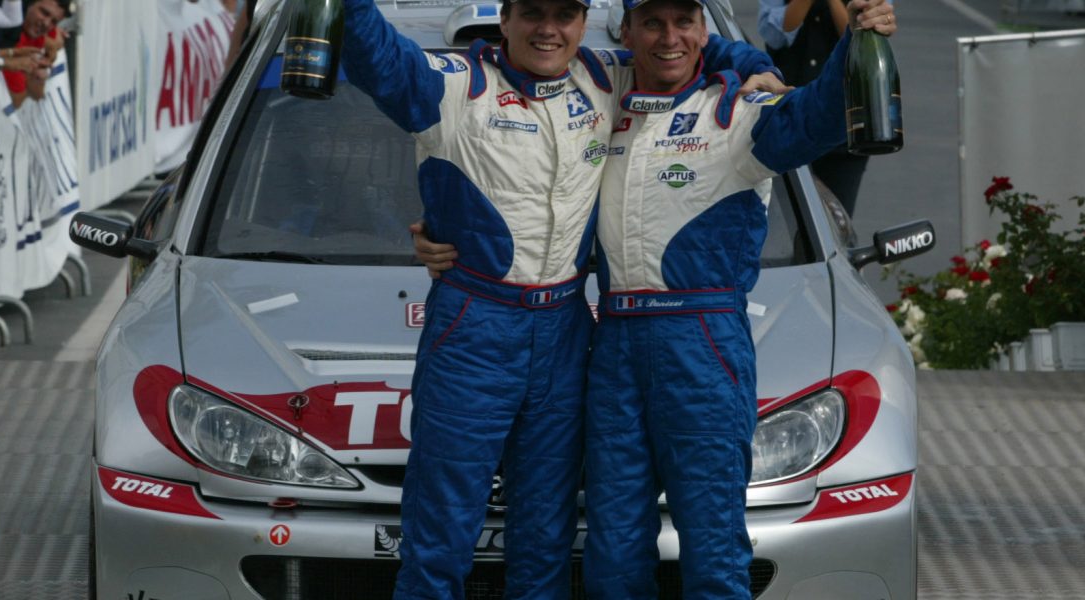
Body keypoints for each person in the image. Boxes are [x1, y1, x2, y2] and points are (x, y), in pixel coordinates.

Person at [414, 0, 897, 595]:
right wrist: (445, 227)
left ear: (702, 29)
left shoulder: (738, 110)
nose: (670, 38)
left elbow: (821, 115)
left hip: (701, 345)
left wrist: (849, 42)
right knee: (613, 554)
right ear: (627, 31)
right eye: (652, 23)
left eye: (685, 22)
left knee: (713, 551)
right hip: (613, 346)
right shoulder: (602, 95)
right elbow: (522, 182)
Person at [335, 0, 784, 595]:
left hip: (566, 332)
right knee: (439, 537)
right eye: (533, 13)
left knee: (545, 540)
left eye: (565, 14)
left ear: (584, 22)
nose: (548, 29)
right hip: (475, 326)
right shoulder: (456, 84)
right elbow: (376, 58)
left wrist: (754, 63)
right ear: (505, 19)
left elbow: (677, 46)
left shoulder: (606, 78)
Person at [759, 0, 870, 215]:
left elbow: (862, 42)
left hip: (845, 125)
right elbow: (775, 35)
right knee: (784, 218)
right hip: (789, 122)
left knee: (837, 217)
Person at [0, 0, 67, 108]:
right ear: (28, 3)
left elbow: (57, 42)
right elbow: (17, 100)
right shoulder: (4, 32)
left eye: (54, 22)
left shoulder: (37, 34)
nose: (46, 23)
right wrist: (31, 76)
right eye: (44, 13)